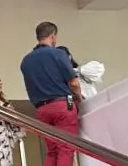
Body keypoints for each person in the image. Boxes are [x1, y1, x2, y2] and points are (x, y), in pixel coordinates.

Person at [20, 21, 81, 166]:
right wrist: (79, 98)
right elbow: (73, 82)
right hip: (62, 106)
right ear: (52, 36)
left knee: (52, 151)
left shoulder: (26, 61)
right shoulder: (58, 54)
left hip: (42, 111)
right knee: (66, 148)